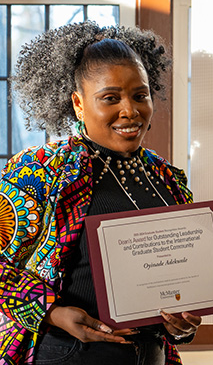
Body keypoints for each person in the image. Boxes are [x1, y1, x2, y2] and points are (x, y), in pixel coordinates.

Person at [0, 21, 202, 364]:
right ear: (78, 104)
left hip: (151, 356)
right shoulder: (41, 170)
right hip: (69, 353)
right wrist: (52, 313)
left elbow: (180, 282)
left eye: (140, 95)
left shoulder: (167, 177)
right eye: (110, 98)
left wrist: (181, 325)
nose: (130, 110)